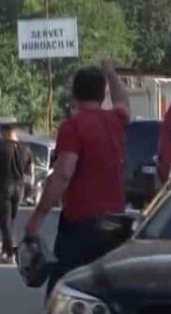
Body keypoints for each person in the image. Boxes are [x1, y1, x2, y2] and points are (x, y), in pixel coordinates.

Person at [24, 62, 129, 295]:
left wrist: (37, 218)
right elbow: (124, 103)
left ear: (74, 93)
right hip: (115, 222)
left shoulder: (73, 127)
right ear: (103, 95)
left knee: (64, 291)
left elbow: (63, 174)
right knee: (106, 291)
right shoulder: (116, 121)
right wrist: (111, 73)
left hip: (81, 223)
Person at [0, 120, 34, 264]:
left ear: (6, 132)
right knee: (11, 221)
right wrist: (28, 192)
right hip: (19, 189)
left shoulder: (0, 147)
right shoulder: (26, 150)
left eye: (1, 133)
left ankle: (10, 253)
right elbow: (30, 175)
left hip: (4, 187)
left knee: (4, 223)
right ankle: (5, 251)